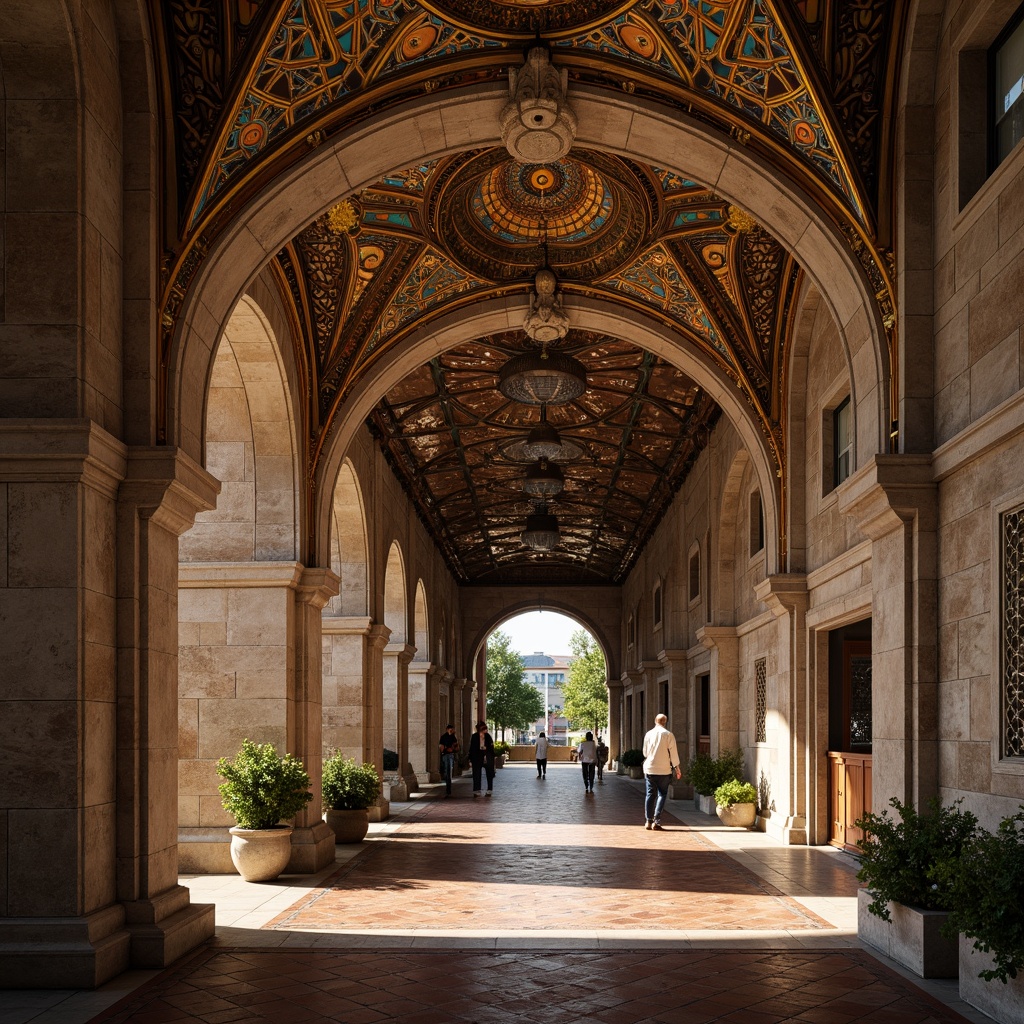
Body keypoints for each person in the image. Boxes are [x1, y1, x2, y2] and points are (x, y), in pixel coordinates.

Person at [642, 713, 681, 829]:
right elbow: (673, 754)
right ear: (665, 722)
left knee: (650, 794)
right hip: (664, 770)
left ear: (655, 721)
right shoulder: (669, 735)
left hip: (650, 768)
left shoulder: (648, 734)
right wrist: (677, 768)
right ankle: (657, 821)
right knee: (662, 794)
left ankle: (648, 821)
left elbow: (645, 752)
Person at [468, 721, 496, 797]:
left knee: (489, 774)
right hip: (477, 758)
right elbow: (472, 748)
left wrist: (488, 750)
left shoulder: (488, 736)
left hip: (487, 757)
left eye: (485, 729)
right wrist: (471, 759)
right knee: (476, 774)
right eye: (482, 729)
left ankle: (489, 790)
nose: (484, 731)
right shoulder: (474, 737)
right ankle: (477, 790)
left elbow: (491, 747)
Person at [438, 723, 459, 797]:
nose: (451, 730)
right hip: (445, 755)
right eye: (450, 729)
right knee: (446, 772)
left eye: (452, 729)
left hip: (450, 756)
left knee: (449, 771)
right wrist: (447, 748)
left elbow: (456, 748)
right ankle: (448, 786)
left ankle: (448, 789)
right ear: (447, 729)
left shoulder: (454, 737)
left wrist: (451, 748)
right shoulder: (443, 737)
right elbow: (441, 748)